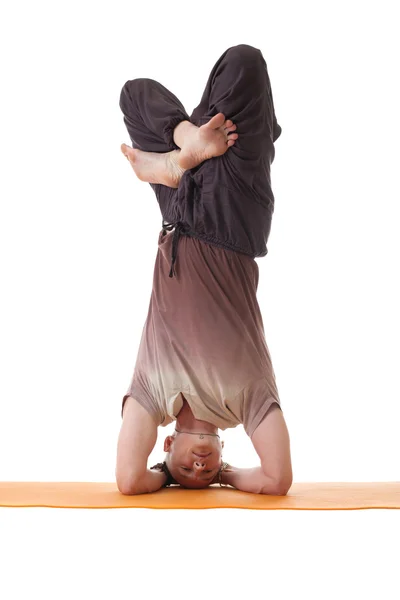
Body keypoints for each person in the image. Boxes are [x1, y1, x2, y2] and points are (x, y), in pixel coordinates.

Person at [115, 44, 293, 495]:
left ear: (168, 443)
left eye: (182, 471)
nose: (199, 469)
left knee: (135, 95)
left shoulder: (154, 394)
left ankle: (182, 152)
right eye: (206, 474)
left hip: (179, 214)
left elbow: (130, 480)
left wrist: (183, 152)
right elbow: (276, 480)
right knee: (244, 64)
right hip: (235, 222)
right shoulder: (246, 405)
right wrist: (229, 476)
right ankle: (185, 151)